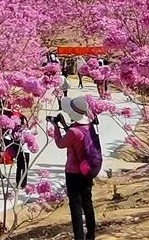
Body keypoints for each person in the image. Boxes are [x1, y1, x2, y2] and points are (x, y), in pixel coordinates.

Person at [53, 96, 98, 240]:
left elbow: (60, 143)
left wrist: (56, 127)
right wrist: (64, 125)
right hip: (88, 170)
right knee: (87, 202)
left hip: (73, 172)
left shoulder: (74, 131)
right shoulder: (89, 126)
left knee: (75, 205)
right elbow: (76, 136)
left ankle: (79, 237)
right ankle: (91, 235)